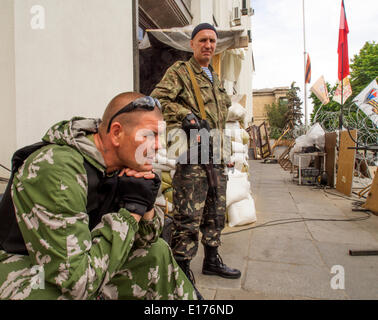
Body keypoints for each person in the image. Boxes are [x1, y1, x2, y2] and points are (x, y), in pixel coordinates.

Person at [0, 92, 197, 300]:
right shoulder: (58, 171)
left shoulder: (120, 164)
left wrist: (145, 205)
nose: (158, 145)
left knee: (157, 252)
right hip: (25, 269)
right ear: (116, 133)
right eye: (149, 136)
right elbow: (77, 282)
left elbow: (147, 239)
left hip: (78, 260)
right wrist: (131, 212)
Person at [151, 23, 241, 285]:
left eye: (212, 41)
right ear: (192, 44)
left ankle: (212, 261)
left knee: (216, 211)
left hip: (217, 155)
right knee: (188, 215)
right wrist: (185, 115)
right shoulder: (181, 72)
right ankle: (181, 270)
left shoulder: (214, 78)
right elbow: (158, 100)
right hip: (192, 155)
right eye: (203, 40)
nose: (208, 45)